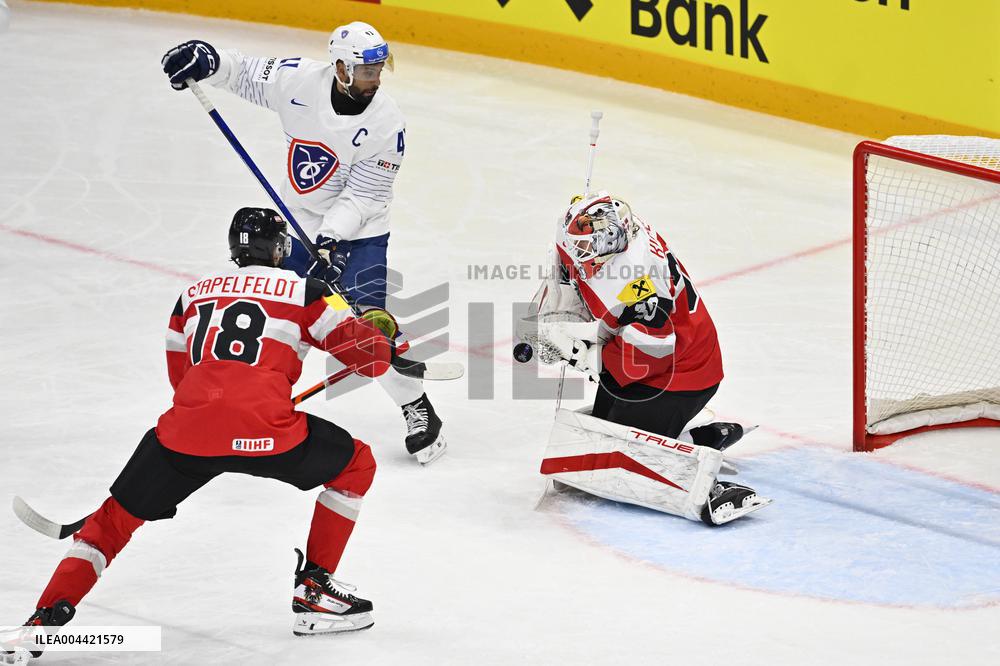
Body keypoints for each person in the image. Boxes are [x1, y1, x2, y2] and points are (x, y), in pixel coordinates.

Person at [3, 208, 392, 663]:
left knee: (109, 523)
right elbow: (372, 361)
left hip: (186, 435)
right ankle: (315, 591)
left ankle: (39, 625)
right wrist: (373, 325)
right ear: (279, 249)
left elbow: (180, 378)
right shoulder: (307, 290)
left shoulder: (191, 296)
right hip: (270, 433)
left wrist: (221, 407)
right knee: (356, 464)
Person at [159, 21, 446, 464]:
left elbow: (365, 196)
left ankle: (417, 408)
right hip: (298, 226)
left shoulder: (387, 123)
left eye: (378, 71)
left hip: (360, 233)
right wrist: (208, 61)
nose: (376, 79)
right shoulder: (298, 79)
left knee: (365, 331)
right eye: (366, 71)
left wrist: (330, 241)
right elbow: (243, 73)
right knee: (279, 319)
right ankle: (251, 400)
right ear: (341, 68)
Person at [528, 191, 770, 525]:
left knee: (610, 467)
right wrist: (557, 324)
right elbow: (573, 261)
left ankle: (707, 458)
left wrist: (588, 356)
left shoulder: (635, 278)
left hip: (681, 373)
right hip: (657, 353)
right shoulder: (621, 231)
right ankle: (684, 433)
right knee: (592, 454)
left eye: (587, 248)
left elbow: (649, 355)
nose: (581, 255)